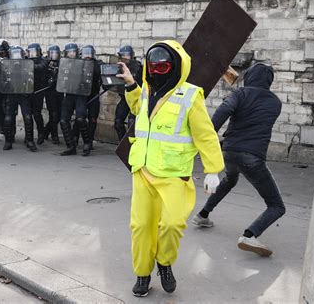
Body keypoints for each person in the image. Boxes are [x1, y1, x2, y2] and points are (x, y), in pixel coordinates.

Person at [117, 40, 225, 297]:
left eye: (163, 66)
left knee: (172, 224)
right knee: (141, 226)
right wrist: (132, 85)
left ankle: (164, 263)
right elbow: (137, 109)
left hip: (174, 175)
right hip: (142, 169)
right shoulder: (146, 91)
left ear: (176, 66)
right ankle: (142, 273)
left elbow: (206, 135)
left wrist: (213, 169)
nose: (156, 71)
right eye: (152, 66)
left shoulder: (190, 95)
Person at [191, 62, 285, 257]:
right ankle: (250, 235)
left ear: (249, 77)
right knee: (276, 205)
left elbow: (222, 113)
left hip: (229, 151)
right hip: (252, 156)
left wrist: (208, 139)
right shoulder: (275, 102)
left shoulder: (239, 94)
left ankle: (203, 215)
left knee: (230, 179)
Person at [2, 45, 37, 152]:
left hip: (23, 94)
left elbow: (32, 76)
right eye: (14, 54)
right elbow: (3, 79)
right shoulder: (6, 64)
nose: (16, 56)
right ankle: (8, 141)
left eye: (18, 54)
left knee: (27, 117)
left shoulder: (27, 64)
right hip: (11, 94)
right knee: (8, 118)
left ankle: (30, 140)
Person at [60, 42, 92, 156]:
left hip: (80, 94)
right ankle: (70, 146)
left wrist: (89, 61)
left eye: (73, 51)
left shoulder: (84, 62)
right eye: (69, 52)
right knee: (63, 120)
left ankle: (87, 143)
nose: (71, 54)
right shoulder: (64, 63)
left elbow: (95, 71)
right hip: (69, 94)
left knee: (80, 119)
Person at [114, 45, 142, 141]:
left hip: (137, 98)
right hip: (124, 98)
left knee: (132, 123)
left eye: (127, 55)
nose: (125, 57)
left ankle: (133, 145)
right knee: (118, 122)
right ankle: (123, 145)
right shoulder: (118, 68)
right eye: (123, 55)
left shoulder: (139, 67)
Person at [27, 42, 50, 145]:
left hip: (39, 90)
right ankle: (29, 136)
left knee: (36, 113)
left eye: (34, 52)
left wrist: (28, 66)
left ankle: (41, 133)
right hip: (28, 90)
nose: (32, 54)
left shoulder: (44, 60)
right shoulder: (27, 61)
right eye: (31, 52)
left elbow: (41, 67)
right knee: (27, 115)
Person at [81, 45, 102, 149]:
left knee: (93, 119)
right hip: (82, 95)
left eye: (89, 53)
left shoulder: (98, 64)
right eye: (85, 53)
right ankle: (77, 138)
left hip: (94, 95)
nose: (87, 56)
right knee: (80, 118)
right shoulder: (79, 63)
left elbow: (101, 73)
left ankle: (90, 140)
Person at [43, 44, 62, 144]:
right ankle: (54, 135)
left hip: (60, 91)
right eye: (52, 53)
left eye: (56, 53)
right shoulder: (45, 63)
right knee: (53, 114)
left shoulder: (62, 63)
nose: (54, 55)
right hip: (49, 91)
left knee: (59, 115)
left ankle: (46, 131)